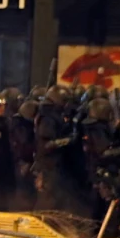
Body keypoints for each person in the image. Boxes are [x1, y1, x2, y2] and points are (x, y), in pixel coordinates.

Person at [81, 96, 120, 238]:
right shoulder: (97, 130)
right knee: (116, 201)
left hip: (95, 171)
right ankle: (108, 234)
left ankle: (98, 233)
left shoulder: (90, 127)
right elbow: (103, 153)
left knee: (99, 206)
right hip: (101, 172)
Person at [32, 86, 81, 214]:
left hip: (53, 164)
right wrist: (68, 140)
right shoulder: (47, 117)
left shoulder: (53, 115)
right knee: (46, 201)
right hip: (47, 165)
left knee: (55, 199)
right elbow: (46, 145)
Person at [10, 97, 38, 211]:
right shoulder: (21, 126)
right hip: (22, 160)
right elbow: (24, 142)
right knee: (24, 190)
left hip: (25, 159)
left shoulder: (18, 124)